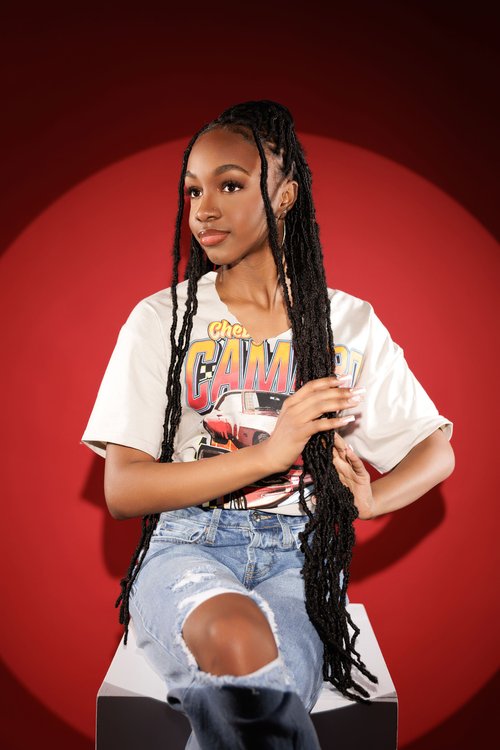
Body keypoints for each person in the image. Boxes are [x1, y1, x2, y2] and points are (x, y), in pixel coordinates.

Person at [81, 100, 454, 749]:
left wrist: (371, 500)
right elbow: (123, 489)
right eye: (193, 190)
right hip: (188, 545)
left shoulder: (349, 323)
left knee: (261, 701)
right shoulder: (161, 320)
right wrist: (270, 453)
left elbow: (436, 450)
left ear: (284, 196)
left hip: (301, 562)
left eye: (229, 185)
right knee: (238, 645)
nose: (203, 209)